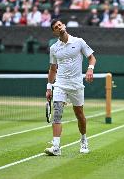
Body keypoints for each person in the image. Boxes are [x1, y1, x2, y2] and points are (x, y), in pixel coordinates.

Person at [45, 19, 96, 156]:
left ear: (64, 26)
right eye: (56, 27)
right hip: (60, 84)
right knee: (57, 114)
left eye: (60, 25)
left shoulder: (79, 42)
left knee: (79, 115)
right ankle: (56, 147)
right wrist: (49, 87)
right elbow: (52, 69)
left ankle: (84, 140)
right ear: (55, 32)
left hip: (76, 85)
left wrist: (90, 69)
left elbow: (92, 58)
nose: (59, 27)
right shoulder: (54, 48)